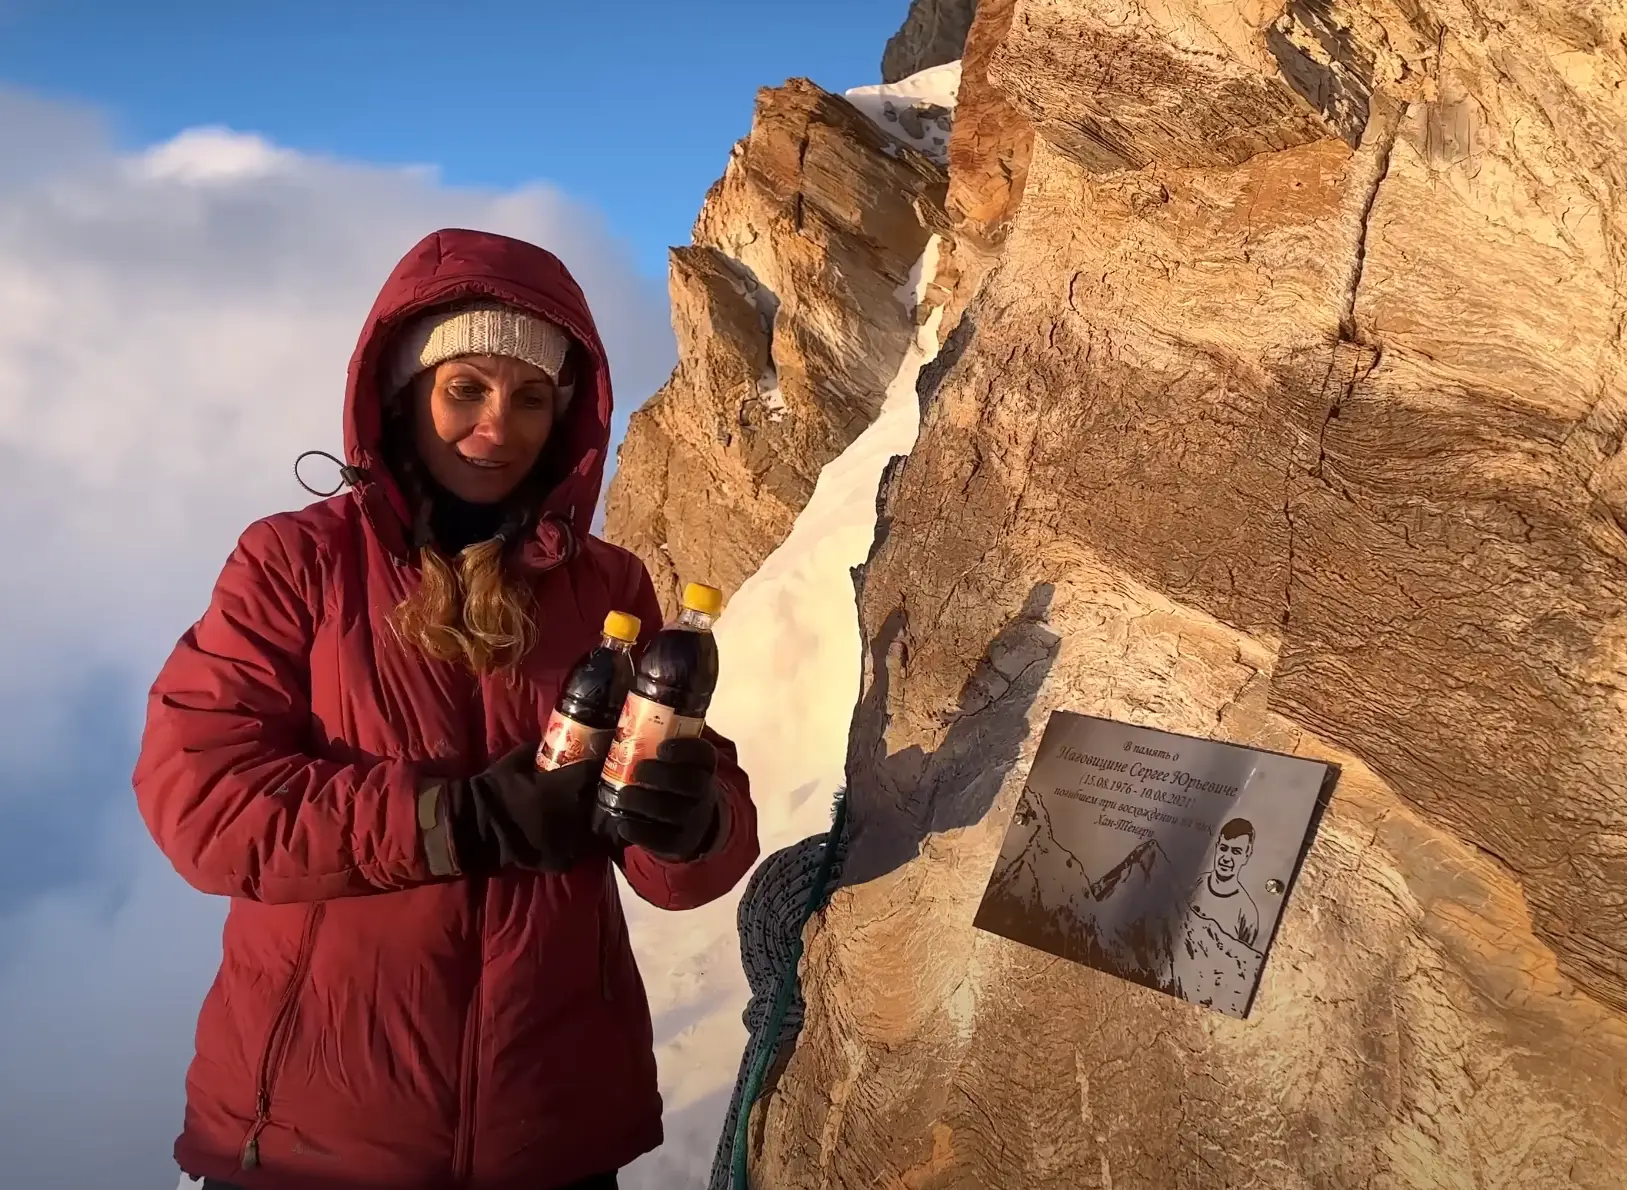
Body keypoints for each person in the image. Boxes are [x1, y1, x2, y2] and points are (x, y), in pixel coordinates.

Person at [134, 227, 760, 1190]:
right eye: (464, 387)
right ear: (399, 393)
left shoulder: (607, 586)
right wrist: (451, 821)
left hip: (553, 1134)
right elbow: (205, 803)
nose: (497, 427)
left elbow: (683, 848)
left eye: (531, 398)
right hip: (319, 1138)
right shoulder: (296, 564)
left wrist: (692, 822)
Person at [1187, 817, 1260, 949]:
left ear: (1247, 855)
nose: (1226, 858)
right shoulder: (1193, 886)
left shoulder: (1247, 914)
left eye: (1236, 852)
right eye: (1224, 848)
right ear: (1216, 847)